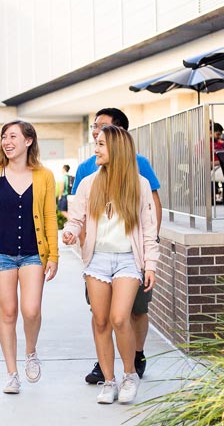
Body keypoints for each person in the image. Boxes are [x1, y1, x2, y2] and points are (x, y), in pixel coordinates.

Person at [62, 125, 158, 404]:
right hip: (98, 260)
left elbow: (149, 230)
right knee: (100, 320)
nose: (96, 149)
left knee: (119, 318)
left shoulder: (139, 184)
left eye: (101, 144)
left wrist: (149, 265)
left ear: (116, 148)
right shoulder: (89, 183)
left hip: (129, 259)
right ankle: (109, 380)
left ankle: (129, 375)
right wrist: (69, 231)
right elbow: (76, 218)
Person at [0, 120, 59, 395]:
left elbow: (49, 217)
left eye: (12, 136)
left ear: (28, 141)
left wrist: (54, 255)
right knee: (8, 312)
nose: (7, 142)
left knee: (31, 310)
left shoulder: (44, 175)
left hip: (34, 253)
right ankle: (11, 374)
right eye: (3, 137)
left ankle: (30, 352)